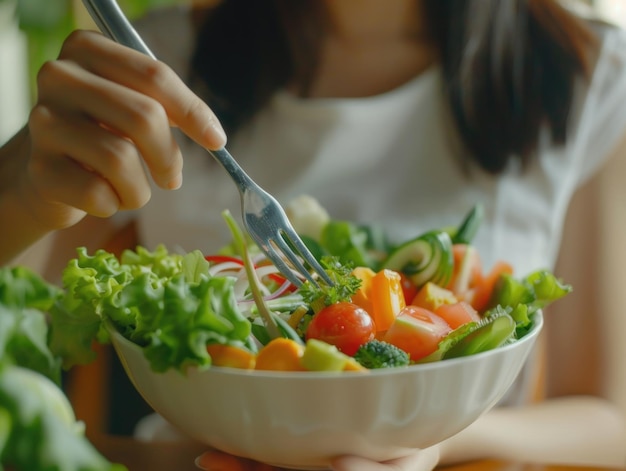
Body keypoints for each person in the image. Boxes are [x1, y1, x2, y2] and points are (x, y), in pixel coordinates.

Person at [1, 0, 626, 470]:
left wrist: (427, 445)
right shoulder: (149, 62)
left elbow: (610, 420)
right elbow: (19, 329)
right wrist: (20, 187)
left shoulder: (588, 75)